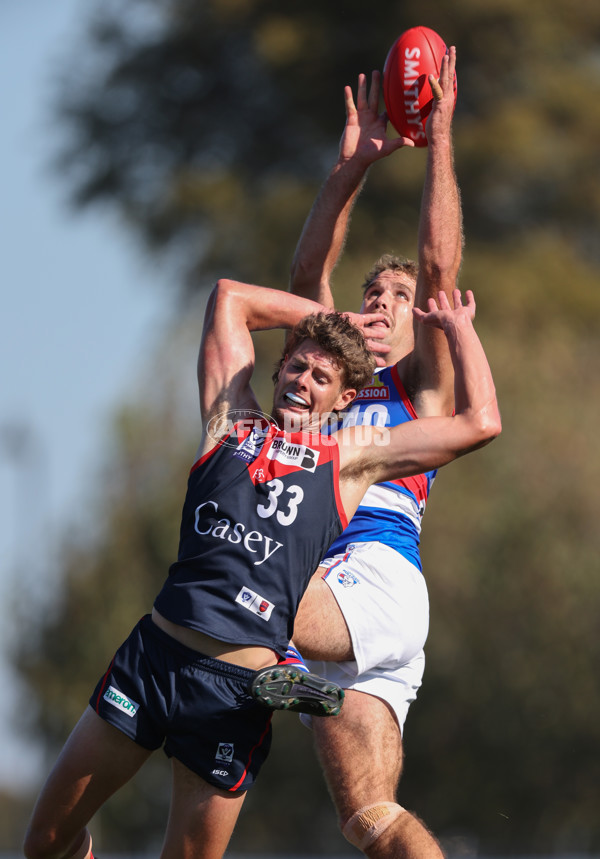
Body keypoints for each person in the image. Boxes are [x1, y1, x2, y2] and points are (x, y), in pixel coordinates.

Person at [23, 266, 499, 857]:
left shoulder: (350, 459)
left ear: (345, 399)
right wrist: (334, 324)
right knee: (45, 842)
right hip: (151, 663)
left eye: (323, 376)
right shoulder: (230, 420)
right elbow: (229, 298)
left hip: (232, 697)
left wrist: (459, 331)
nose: (304, 380)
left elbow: (480, 423)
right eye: (297, 366)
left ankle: (293, 666)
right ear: (277, 372)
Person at [282, 48, 469, 856]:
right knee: (372, 822)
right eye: (372, 294)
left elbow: (436, 269)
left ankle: (264, 650)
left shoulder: (419, 385)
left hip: (373, 579)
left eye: (397, 299)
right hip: (349, 610)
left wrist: (442, 138)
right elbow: (305, 273)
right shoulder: (330, 386)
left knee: (227, 586)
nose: (382, 305)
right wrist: (350, 169)